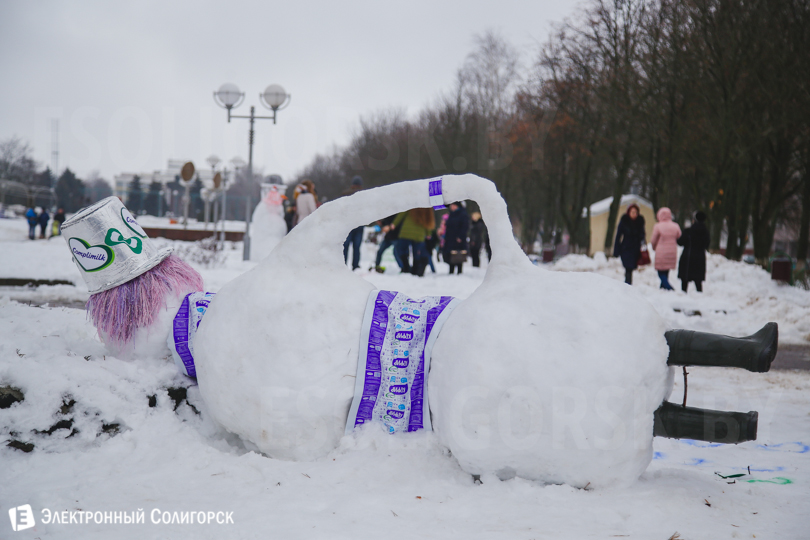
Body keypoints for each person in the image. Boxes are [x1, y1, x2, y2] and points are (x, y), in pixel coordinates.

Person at [393, 208, 435, 276]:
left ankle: (406, 268)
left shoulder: (412, 205)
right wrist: (428, 233)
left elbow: (402, 214)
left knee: (402, 251)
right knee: (416, 254)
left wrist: (394, 224)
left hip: (406, 232)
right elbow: (428, 221)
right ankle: (415, 271)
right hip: (419, 234)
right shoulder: (427, 208)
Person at [613, 203, 646, 285]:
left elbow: (642, 235)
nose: (634, 214)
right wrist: (616, 250)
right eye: (633, 212)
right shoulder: (624, 221)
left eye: (636, 212)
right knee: (628, 267)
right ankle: (628, 284)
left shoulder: (640, 222)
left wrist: (643, 244)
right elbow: (618, 236)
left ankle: (627, 284)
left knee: (630, 268)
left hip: (636, 249)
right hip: (626, 248)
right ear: (629, 212)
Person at [678, 211, 710, 293]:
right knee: (698, 280)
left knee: (685, 279)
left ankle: (683, 294)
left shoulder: (688, 231)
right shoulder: (706, 232)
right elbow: (707, 244)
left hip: (688, 256)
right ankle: (699, 294)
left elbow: (680, 242)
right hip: (700, 257)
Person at [650, 207, 681, 290]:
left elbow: (653, 240)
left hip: (661, 252)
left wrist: (654, 247)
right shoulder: (675, 226)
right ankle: (663, 288)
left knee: (660, 272)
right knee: (666, 271)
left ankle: (669, 288)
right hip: (672, 252)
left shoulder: (658, 226)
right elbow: (679, 237)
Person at [341, 176, 364, 270]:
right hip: (359, 223)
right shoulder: (364, 194)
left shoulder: (345, 193)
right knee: (357, 247)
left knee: (345, 246)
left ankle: (343, 265)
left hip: (348, 224)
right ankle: (355, 265)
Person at [443, 202, 470, 275]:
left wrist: (460, 236)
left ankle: (459, 271)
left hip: (458, 239)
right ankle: (451, 270)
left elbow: (465, 227)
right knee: (451, 254)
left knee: (458, 254)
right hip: (450, 238)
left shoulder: (463, 215)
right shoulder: (451, 214)